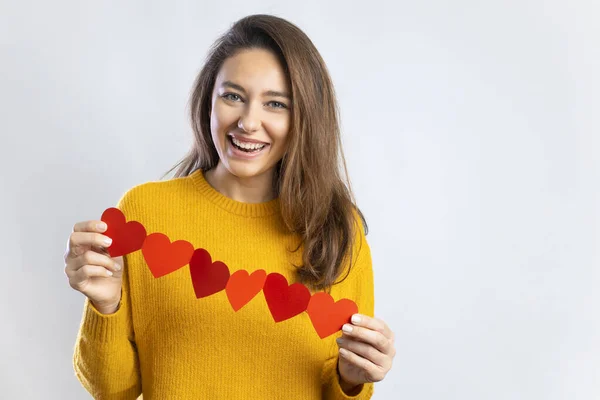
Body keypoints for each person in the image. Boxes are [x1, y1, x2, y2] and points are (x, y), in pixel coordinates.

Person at [65, 14, 396, 399]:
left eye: (275, 104)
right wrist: (105, 304)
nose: (248, 122)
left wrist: (353, 379)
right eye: (233, 96)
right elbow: (112, 390)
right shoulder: (144, 212)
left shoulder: (338, 232)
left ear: (305, 119)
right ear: (209, 99)